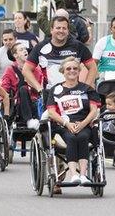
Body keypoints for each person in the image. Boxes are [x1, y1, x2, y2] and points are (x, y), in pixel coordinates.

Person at [46, 56, 100, 188]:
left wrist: (83, 124)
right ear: (62, 71)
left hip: (84, 123)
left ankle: (82, 175)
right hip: (63, 125)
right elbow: (51, 112)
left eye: (75, 68)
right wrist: (67, 124)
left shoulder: (87, 89)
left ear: (79, 71)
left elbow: (94, 110)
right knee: (71, 138)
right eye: (68, 68)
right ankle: (73, 174)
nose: (72, 71)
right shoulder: (55, 90)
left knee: (82, 136)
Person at [22, 16, 97, 94]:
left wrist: (86, 87)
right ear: (51, 30)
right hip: (50, 95)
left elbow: (93, 67)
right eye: (58, 28)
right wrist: (39, 88)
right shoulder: (40, 47)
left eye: (64, 28)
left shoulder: (78, 46)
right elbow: (26, 69)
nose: (61, 31)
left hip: (73, 94)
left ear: (68, 31)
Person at [1, 43, 43, 129]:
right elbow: (5, 89)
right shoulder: (10, 69)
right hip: (18, 105)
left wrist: (30, 82)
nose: (25, 51)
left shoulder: (35, 69)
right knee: (23, 89)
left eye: (25, 49)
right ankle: (29, 120)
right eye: (21, 50)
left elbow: (40, 87)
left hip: (34, 101)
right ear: (15, 55)